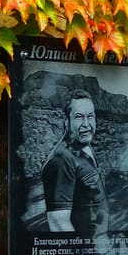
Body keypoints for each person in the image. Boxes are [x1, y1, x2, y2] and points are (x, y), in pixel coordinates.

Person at [41, 93, 109, 243]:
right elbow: (58, 224)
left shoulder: (86, 148)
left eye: (90, 116)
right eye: (79, 117)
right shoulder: (61, 161)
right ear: (66, 120)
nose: (86, 123)